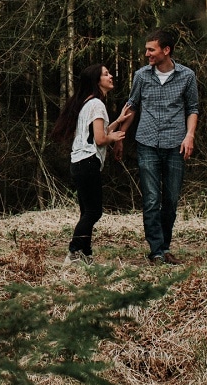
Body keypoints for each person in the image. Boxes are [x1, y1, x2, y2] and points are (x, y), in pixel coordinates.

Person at [122, 29, 198, 264]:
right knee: (152, 198)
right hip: (147, 143)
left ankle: (165, 247)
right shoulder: (141, 76)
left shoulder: (187, 76)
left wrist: (189, 136)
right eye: (146, 49)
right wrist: (119, 136)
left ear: (166, 50)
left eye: (151, 49)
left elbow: (192, 108)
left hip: (175, 144)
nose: (147, 54)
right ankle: (156, 250)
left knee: (171, 199)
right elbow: (132, 106)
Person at [49, 63, 128, 261]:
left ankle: (84, 253)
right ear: (96, 81)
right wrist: (115, 138)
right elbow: (101, 139)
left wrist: (118, 121)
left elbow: (95, 134)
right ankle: (75, 251)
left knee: (87, 211)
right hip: (88, 162)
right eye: (106, 74)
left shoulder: (88, 103)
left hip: (78, 162)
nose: (111, 76)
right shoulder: (97, 105)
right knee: (94, 211)